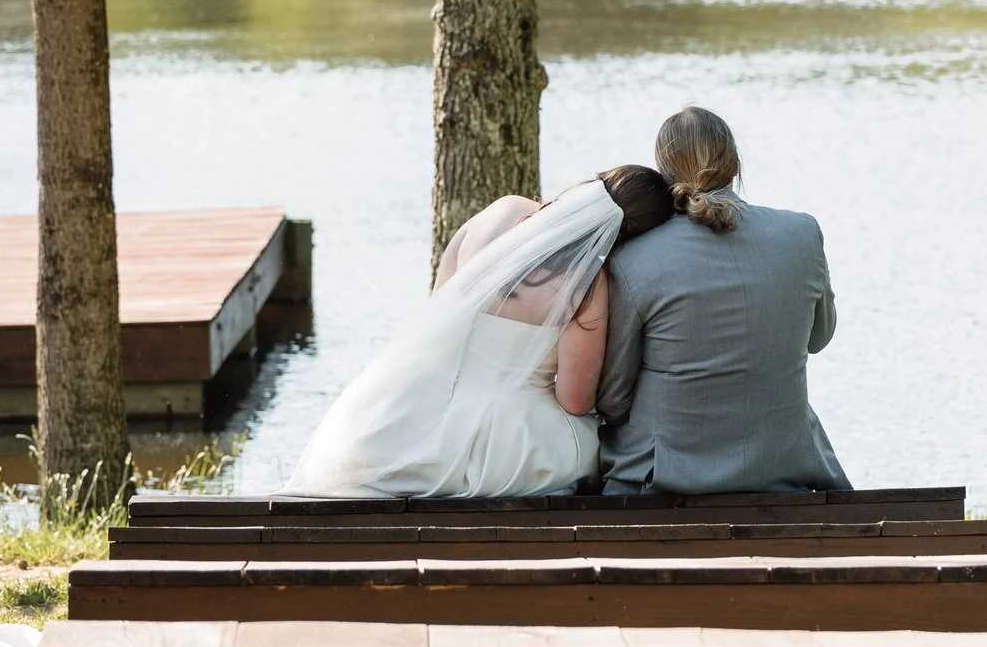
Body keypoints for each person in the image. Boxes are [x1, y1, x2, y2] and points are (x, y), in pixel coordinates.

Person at [280, 165, 674, 497]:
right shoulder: (589, 283)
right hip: (507, 440)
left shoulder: (504, 212)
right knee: (587, 447)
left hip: (419, 408)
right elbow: (573, 399)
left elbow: (438, 318)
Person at [595, 107, 850, 493]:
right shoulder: (802, 233)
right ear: (735, 164)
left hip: (662, 477)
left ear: (665, 174)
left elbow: (613, 399)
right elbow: (820, 338)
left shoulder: (631, 259)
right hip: (784, 465)